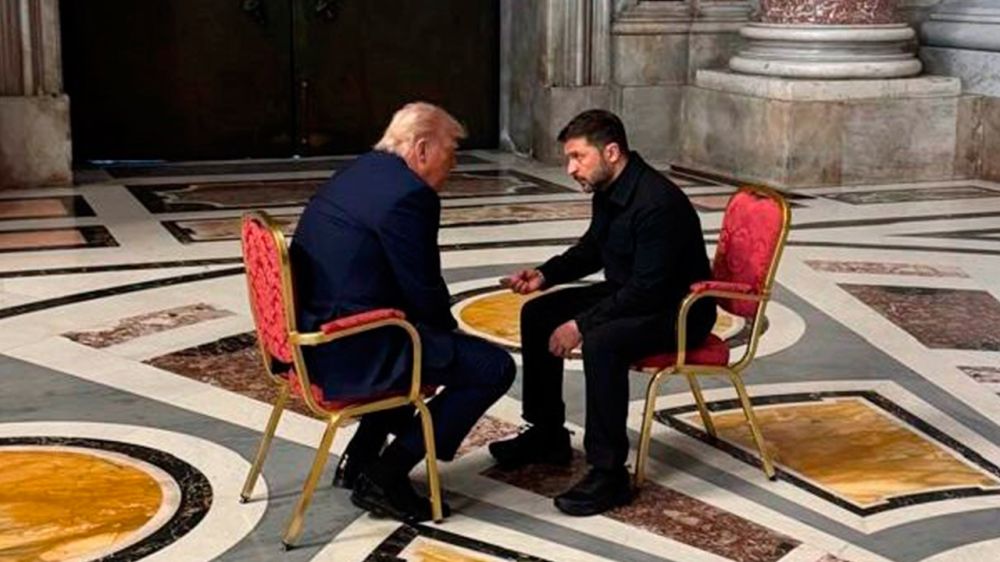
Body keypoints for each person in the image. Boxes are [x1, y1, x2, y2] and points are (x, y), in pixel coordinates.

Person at [290, 102, 515, 523]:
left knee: (420, 339)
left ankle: (360, 458)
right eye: (451, 151)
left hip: (315, 336)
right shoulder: (409, 195)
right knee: (492, 367)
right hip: (352, 348)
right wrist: (449, 340)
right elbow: (423, 287)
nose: (454, 164)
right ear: (422, 148)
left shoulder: (360, 172)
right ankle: (386, 474)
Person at [489, 109, 716, 516]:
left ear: (611, 152)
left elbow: (649, 290)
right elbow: (593, 249)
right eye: (569, 158)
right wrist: (545, 275)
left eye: (578, 157)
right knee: (538, 314)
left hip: (678, 310)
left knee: (603, 341)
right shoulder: (609, 188)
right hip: (633, 293)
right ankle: (547, 434)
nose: (571, 168)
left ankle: (609, 472)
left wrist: (580, 325)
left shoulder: (657, 203)